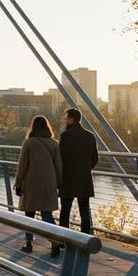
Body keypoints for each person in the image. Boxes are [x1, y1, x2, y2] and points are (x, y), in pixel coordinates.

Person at [13, 115, 62, 255]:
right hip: (49, 182)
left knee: (29, 214)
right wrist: (59, 183)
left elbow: (22, 165)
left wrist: (18, 184)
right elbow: (59, 166)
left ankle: (29, 243)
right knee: (47, 214)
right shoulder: (54, 143)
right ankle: (54, 241)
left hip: (31, 183)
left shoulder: (29, 143)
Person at [58, 107, 99, 248]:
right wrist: (86, 169)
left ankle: (63, 240)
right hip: (84, 178)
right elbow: (95, 158)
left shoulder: (66, 136)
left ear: (72, 119)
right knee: (84, 210)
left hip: (68, 179)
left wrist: (61, 176)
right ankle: (85, 240)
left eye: (66, 118)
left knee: (65, 210)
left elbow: (61, 159)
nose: (65, 120)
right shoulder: (90, 136)